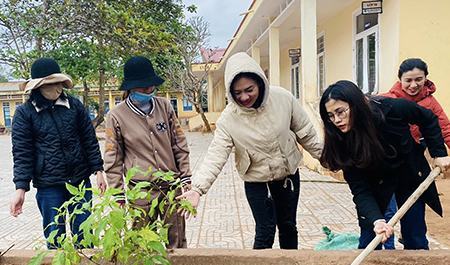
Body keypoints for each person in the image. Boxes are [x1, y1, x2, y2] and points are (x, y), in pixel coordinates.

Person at [179, 52, 323, 250]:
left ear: (260, 83)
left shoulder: (283, 99)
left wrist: (329, 159)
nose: (244, 97)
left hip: (287, 176)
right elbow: (215, 155)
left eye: (249, 90)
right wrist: (197, 189)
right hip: (255, 181)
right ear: (230, 92)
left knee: (288, 226)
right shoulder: (228, 119)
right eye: (237, 93)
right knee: (265, 230)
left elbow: (306, 134)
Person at [319, 80, 450, 250]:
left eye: (340, 112)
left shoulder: (391, 109)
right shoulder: (341, 141)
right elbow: (360, 188)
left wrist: (438, 152)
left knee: (414, 235)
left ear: (356, 105)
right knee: (370, 235)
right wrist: (377, 220)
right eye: (330, 116)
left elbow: (428, 118)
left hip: (408, 173)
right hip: (375, 182)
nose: (337, 120)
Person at [10, 57, 105, 248]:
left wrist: (98, 170)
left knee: (84, 234)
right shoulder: (25, 113)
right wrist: (20, 188)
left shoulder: (74, 106)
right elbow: (22, 153)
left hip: (79, 181)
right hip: (48, 185)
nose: (58, 89)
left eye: (59, 84)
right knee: (55, 237)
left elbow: (89, 140)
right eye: (51, 85)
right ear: (38, 87)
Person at [104, 56, 191, 249]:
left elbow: (179, 144)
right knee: (143, 244)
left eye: (151, 86)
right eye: (143, 88)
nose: (148, 91)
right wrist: (118, 194)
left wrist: (185, 177)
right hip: (141, 191)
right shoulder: (116, 116)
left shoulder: (165, 107)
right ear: (131, 88)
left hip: (171, 188)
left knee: (176, 240)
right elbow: (113, 158)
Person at [382, 58, 450, 248]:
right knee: (385, 216)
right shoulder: (388, 100)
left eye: (418, 79)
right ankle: (383, 256)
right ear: (400, 80)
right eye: (408, 80)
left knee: (413, 218)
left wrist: (442, 155)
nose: (414, 85)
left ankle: (417, 253)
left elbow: (445, 129)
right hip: (386, 166)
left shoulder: (430, 103)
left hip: (412, 168)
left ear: (426, 79)